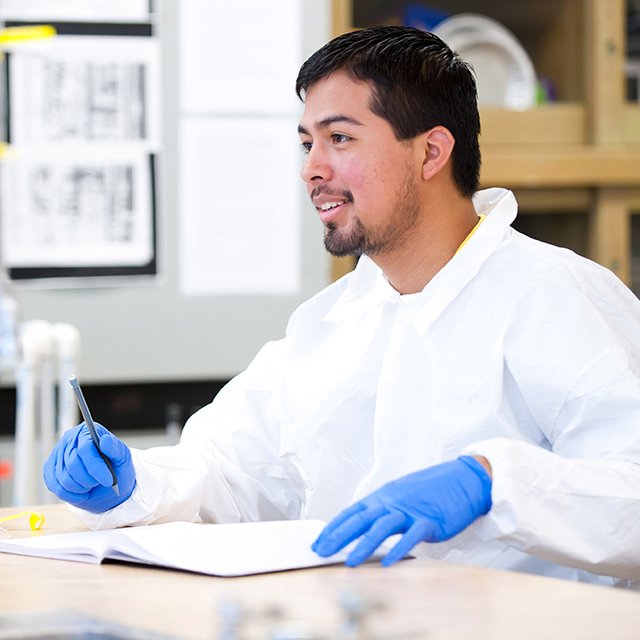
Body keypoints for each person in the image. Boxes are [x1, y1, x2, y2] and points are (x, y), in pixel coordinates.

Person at [44, 26, 640, 588]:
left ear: (431, 153)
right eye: (308, 143)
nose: (312, 169)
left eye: (340, 138)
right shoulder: (332, 320)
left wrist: (493, 482)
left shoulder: (555, 297)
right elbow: (231, 472)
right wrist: (132, 487)